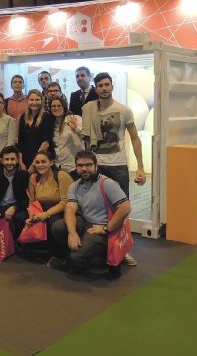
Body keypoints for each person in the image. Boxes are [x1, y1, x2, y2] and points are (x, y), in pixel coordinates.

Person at [81, 72, 145, 266]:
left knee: (121, 210)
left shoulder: (124, 110)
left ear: (112, 86)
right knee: (96, 209)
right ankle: (102, 249)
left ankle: (123, 250)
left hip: (118, 166)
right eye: (100, 85)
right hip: (96, 166)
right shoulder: (89, 109)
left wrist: (140, 167)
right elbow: (85, 139)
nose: (104, 88)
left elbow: (135, 138)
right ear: (96, 88)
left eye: (106, 85)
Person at [50, 150, 131, 279]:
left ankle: (104, 260)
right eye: (80, 165)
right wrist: (72, 233)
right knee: (58, 227)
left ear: (96, 166)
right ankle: (80, 255)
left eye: (88, 165)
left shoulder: (107, 183)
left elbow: (125, 208)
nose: (84, 169)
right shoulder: (75, 186)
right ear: (76, 167)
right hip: (87, 222)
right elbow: (70, 209)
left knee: (76, 258)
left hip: (104, 227)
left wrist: (106, 229)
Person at [24, 150, 73, 258]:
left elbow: (65, 202)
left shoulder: (61, 175)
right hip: (41, 210)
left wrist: (46, 214)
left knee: (53, 221)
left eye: (43, 162)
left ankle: (59, 254)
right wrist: (31, 215)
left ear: (51, 162)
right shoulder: (34, 177)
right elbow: (32, 201)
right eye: (37, 162)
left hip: (61, 211)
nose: (40, 165)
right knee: (22, 218)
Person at [0, 146, 29, 239]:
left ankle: (18, 244)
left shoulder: (24, 176)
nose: (9, 162)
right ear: (2, 161)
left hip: (17, 209)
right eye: (6, 159)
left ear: (17, 161)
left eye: (12, 159)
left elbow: (27, 200)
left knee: (20, 219)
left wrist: (15, 207)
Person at [17, 89, 53, 171]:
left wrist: (34, 164)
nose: (34, 102)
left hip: (40, 160)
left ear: (41, 101)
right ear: (27, 101)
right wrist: (21, 163)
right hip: (25, 159)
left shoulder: (46, 116)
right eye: (32, 99)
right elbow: (20, 142)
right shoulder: (23, 117)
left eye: (37, 100)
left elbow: (46, 143)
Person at [50, 97, 83, 178]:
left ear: (64, 107)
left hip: (74, 167)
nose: (56, 108)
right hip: (59, 167)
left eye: (59, 105)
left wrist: (76, 129)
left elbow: (87, 137)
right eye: (53, 106)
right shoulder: (51, 124)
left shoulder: (74, 119)